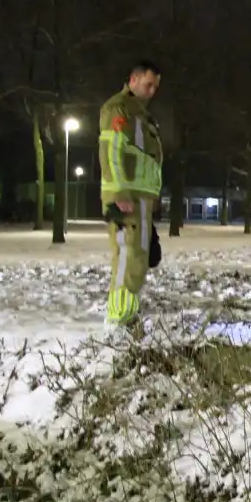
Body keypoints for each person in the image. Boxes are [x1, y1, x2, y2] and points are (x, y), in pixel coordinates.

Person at [98, 60, 165, 332]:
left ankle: (127, 316)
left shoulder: (140, 115)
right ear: (133, 80)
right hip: (128, 199)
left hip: (142, 200)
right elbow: (112, 151)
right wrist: (119, 192)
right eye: (148, 84)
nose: (152, 91)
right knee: (128, 257)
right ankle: (117, 322)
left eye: (155, 87)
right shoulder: (119, 108)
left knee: (139, 259)